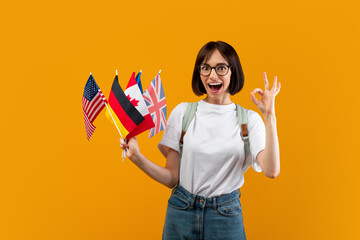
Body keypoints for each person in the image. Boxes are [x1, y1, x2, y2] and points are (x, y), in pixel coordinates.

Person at [120, 41, 281, 240]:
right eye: (206, 68)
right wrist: (137, 158)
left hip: (225, 217)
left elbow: (271, 170)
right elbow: (171, 178)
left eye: (221, 68)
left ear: (233, 72)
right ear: (200, 73)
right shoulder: (183, 113)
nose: (212, 75)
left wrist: (269, 115)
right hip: (181, 211)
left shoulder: (249, 120)